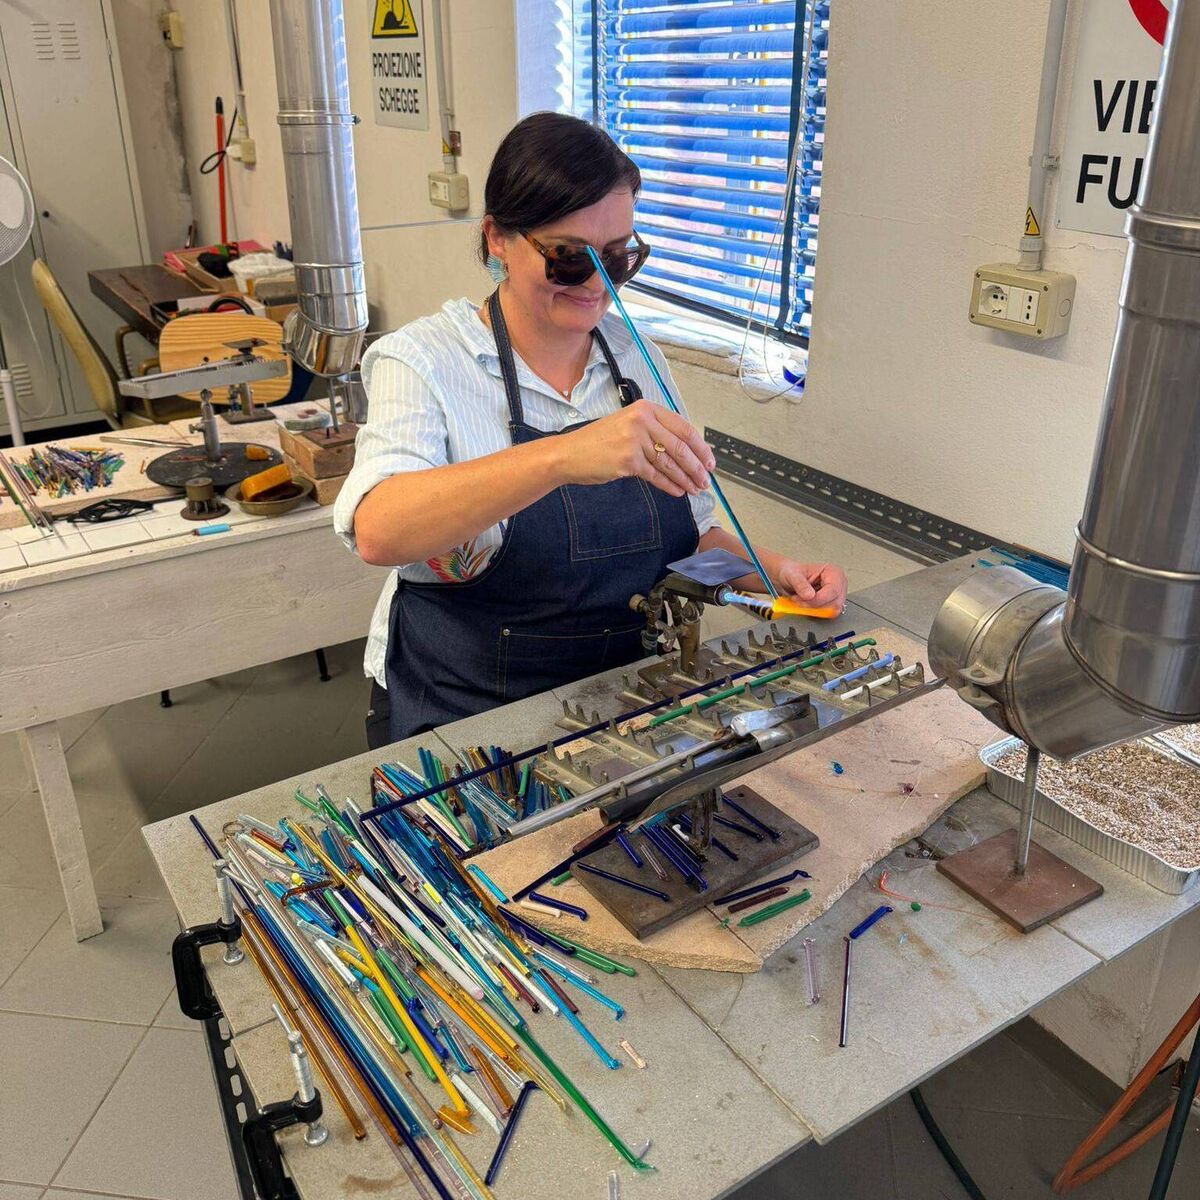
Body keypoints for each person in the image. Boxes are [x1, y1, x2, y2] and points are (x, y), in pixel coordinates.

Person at [335, 112, 847, 749]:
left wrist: (777, 573)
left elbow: (691, 532)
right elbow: (378, 530)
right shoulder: (424, 361)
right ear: (498, 239)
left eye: (619, 257)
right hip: (465, 711)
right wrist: (562, 456)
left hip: (615, 704)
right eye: (570, 259)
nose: (601, 287)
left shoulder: (634, 359)